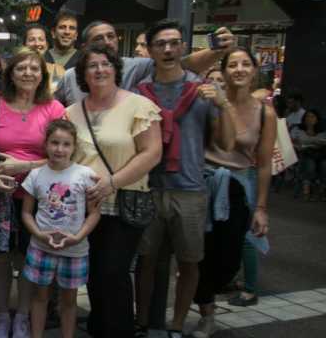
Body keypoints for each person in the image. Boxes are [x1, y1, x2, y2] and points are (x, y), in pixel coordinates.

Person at [133, 19, 237, 338]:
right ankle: (142, 322)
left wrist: (223, 103)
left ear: (183, 48)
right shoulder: (139, 91)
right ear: (150, 50)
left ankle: (176, 324)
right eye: (161, 44)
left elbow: (227, 143)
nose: (168, 49)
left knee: (189, 262)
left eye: (174, 42)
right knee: (146, 261)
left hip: (190, 189)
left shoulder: (202, 89)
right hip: (148, 187)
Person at [64, 44, 162, 338]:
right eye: (91, 66)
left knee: (114, 272)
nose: (99, 70)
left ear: (116, 69)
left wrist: (112, 181)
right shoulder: (71, 112)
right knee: (92, 273)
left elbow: (152, 153)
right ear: (82, 74)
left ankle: (119, 331)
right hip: (85, 207)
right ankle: (100, 327)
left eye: (105, 63)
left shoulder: (138, 105)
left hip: (123, 202)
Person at [0, 48, 66, 338]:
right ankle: (3, 315)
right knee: (1, 256)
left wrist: (22, 165)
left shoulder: (54, 109)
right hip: (1, 194)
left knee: (30, 256)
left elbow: (64, 155)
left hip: (39, 197)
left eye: (34, 68)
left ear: (42, 75)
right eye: (21, 68)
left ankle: (23, 317)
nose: (28, 73)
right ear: (10, 74)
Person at [191, 48, 274, 337]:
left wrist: (261, 208)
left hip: (238, 185)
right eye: (233, 64)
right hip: (203, 181)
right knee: (200, 254)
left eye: (245, 64)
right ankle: (207, 313)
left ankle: (206, 291)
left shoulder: (265, 111)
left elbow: (263, 164)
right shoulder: (210, 100)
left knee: (229, 258)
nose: (239, 69)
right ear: (224, 70)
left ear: (254, 70)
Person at [20, 120, 100, 338]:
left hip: (74, 250)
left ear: (74, 147)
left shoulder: (85, 175)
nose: (59, 149)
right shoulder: (36, 175)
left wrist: (77, 237)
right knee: (40, 296)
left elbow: (94, 213)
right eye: (54, 142)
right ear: (46, 144)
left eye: (66, 144)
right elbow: (26, 213)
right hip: (41, 247)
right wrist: (39, 234)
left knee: (69, 300)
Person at [54, 19, 237, 106]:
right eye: (99, 39)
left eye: (111, 36)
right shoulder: (70, 77)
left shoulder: (134, 67)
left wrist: (217, 50)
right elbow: (50, 108)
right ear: (85, 46)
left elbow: (183, 63)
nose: (107, 42)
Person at [292, 110, 326, 200]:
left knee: (324, 166)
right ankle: (306, 190)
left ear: (317, 119)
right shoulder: (298, 129)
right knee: (310, 165)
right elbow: (296, 142)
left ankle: (322, 190)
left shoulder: (322, 130)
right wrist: (314, 143)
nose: (309, 119)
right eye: (307, 116)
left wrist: (308, 143)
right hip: (305, 154)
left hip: (321, 154)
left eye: (312, 117)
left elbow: (323, 141)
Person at [20, 24, 64, 93]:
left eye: (41, 39)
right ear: (24, 44)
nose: (37, 43)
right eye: (31, 39)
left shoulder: (58, 70)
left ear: (47, 44)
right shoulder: (16, 71)